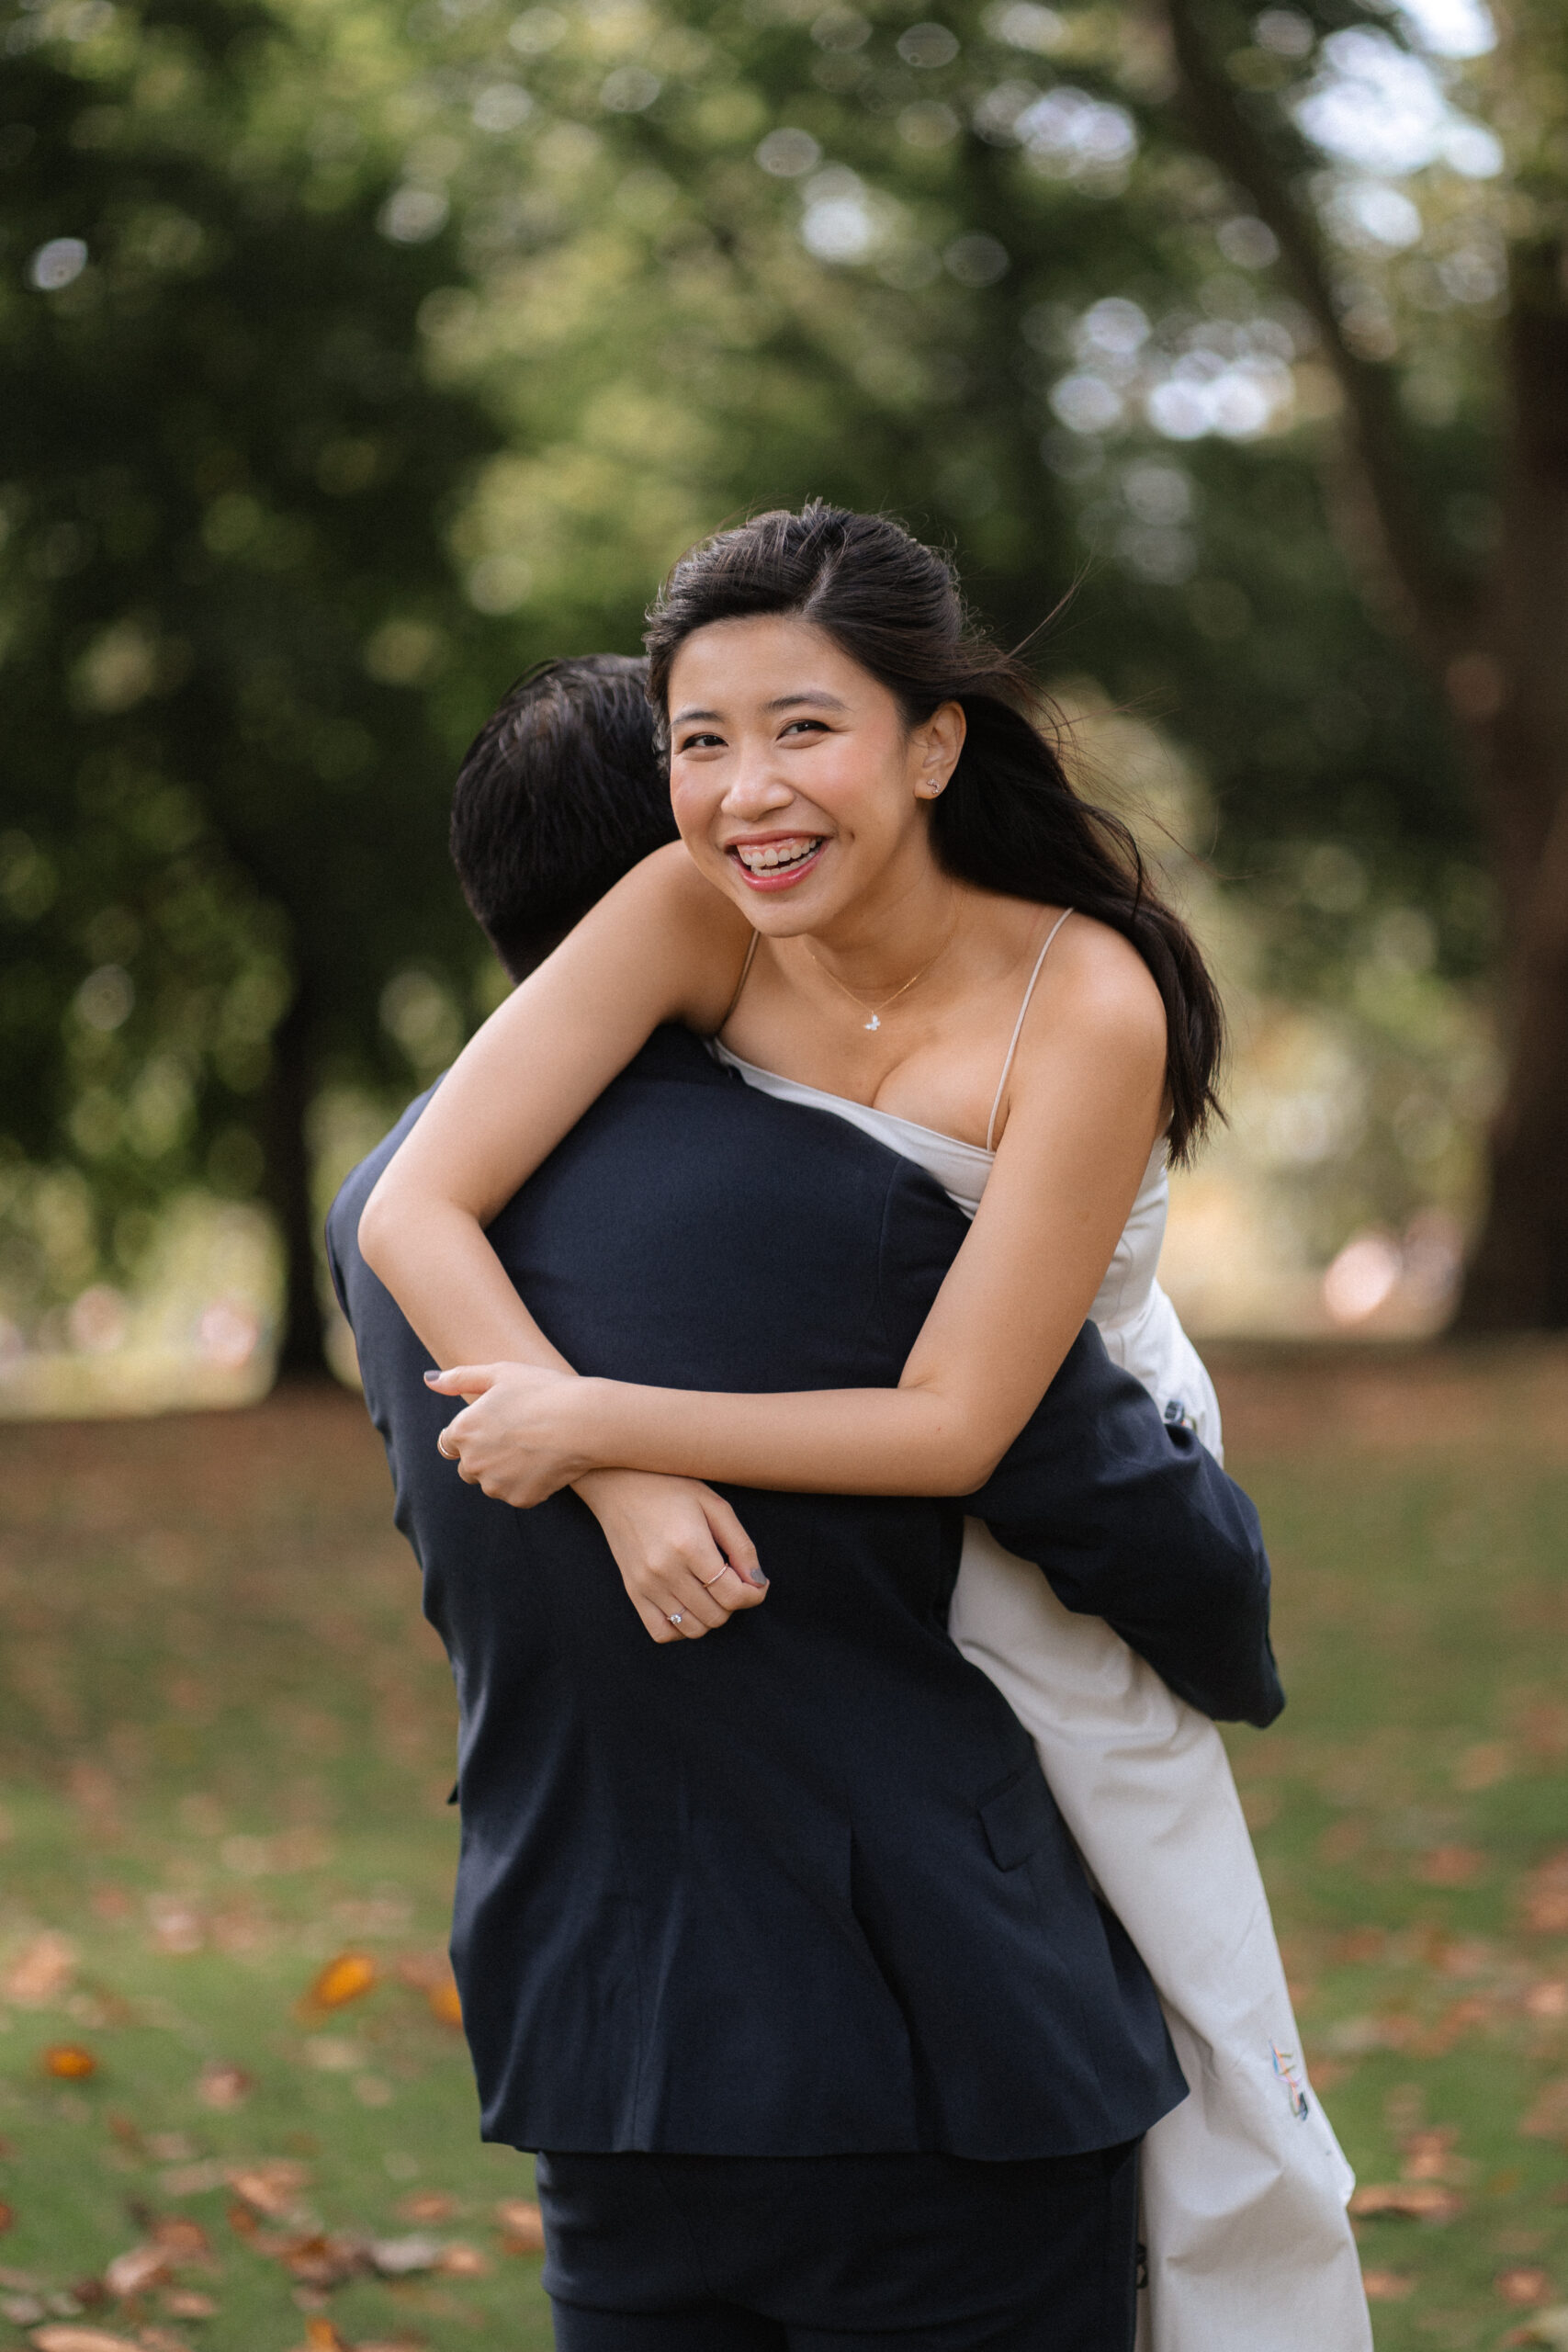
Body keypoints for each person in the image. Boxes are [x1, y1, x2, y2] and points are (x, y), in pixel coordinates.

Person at [351, 581, 1367, 2348]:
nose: (749, 792)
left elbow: (416, 1217)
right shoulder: (849, 1214)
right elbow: (1170, 1566)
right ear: (647, 831)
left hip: (593, 2028)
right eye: (703, 745)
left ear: (934, 746)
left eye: (801, 730)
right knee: (1226, 2126)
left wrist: (600, 1433)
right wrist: (613, 1462)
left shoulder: (383, 1207)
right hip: (932, 2024)